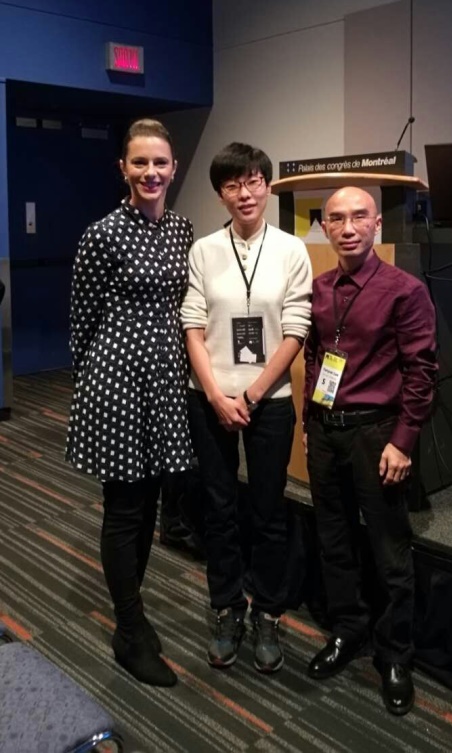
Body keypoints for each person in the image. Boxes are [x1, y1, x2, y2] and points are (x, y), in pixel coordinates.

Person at [66, 118, 194, 687]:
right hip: (116, 382)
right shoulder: (103, 234)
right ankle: (128, 628)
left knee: (149, 507)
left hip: (164, 382)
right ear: (123, 168)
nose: (150, 172)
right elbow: (81, 321)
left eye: (160, 162)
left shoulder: (182, 230)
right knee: (124, 509)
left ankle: (134, 614)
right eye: (139, 162)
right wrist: (95, 386)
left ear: (174, 167)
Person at [303, 186, 437, 715]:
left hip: (376, 435)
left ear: (377, 224)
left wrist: (403, 441)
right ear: (325, 227)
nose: (348, 227)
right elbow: (315, 357)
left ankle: (395, 655)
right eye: (337, 219)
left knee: (389, 549)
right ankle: (348, 629)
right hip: (326, 431)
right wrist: (309, 421)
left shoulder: (405, 291)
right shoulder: (320, 288)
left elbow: (421, 372)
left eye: (359, 217)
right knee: (334, 541)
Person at [181, 142, 312, 673]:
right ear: (221, 194)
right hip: (209, 398)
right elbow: (192, 325)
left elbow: (296, 328)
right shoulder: (204, 250)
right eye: (233, 184)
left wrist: (252, 394)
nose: (245, 192)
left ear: (268, 186)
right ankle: (226, 607)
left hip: (269, 400)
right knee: (218, 509)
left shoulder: (291, 250)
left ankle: (268, 613)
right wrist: (216, 394)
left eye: (254, 181)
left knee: (268, 511)